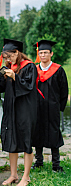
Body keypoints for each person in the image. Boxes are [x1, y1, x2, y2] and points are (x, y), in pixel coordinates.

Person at [0, 39, 37, 186]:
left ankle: (26, 177)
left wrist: (15, 77)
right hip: (11, 108)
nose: (7, 60)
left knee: (25, 140)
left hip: (25, 109)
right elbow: (2, 88)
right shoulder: (9, 67)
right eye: (5, 58)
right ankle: (13, 175)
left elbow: (29, 87)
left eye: (9, 57)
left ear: (17, 53)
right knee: (12, 140)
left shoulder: (30, 66)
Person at [31, 40, 68, 173]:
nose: (43, 55)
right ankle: (39, 161)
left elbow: (64, 91)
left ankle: (56, 164)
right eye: (41, 53)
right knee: (38, 133)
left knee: (54, 133)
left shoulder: (58, 70)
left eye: (46, 52)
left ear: (51, 53)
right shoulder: (34, 70)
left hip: (53, 109)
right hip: (37, 108)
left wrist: (59, 107)